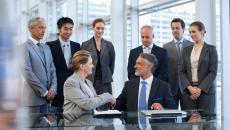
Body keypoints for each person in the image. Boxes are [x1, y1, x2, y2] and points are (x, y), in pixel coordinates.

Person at [180, 21, 218, 114]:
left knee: (207, 124)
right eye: (190, 32)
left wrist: (199, 89)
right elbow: (182, 71)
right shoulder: (186, 50)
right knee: (189, 122)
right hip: (189, 91)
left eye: (194, 31)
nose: (191, 34)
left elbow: (213, 72)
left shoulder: (211, 49)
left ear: (202, 32)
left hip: (206, 92)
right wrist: (190, 88)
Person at [22, 17, 57, 113]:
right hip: (32, 100)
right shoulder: (23, 47)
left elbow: (52, 70)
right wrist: (45, 92)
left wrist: (53, 89)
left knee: (46, 127)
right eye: (41, 27)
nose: (44, 30)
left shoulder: (46, 48)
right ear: (30, 29)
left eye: (45, 28)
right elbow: (27, 72)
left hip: (48, 100)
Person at [81, 18, 115, 110]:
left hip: (105, 82)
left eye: (102, 28)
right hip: (90, 80)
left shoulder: (109, 45)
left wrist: (107, 75)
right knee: (91, 106)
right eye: (98, 28)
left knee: (105, 107)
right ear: (93, 28)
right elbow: (82, 63)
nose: (100, 31)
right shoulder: (85, 45)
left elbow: (112, 65)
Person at [46, 17, 80, 109]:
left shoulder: (76, 46)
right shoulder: (49, 46)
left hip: (73, 88)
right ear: (59, 29)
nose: (68, 32)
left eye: (70, 29)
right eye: (65, 29)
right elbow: (48, 68)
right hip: (56, 87)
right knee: (56, 116)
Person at [163, 18, 193, 108]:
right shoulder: (165, 47)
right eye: (173, 28)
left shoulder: (191, 45)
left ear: (183, 29)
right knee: (171, 116)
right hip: (171, 88)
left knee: (188, 116)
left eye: (177, 28)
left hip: (187, 88)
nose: (174, 30)